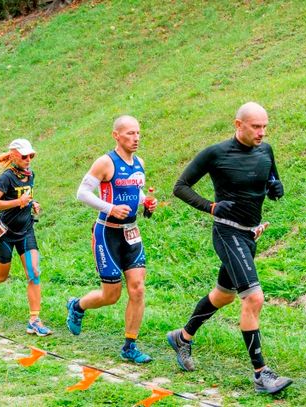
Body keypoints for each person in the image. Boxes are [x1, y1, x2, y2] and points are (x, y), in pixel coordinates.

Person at [167, 102, 292, 394]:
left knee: (223, 296)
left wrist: (276, 189)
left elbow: (271, 181)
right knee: (254, 298)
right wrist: (210, 207)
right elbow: (180, 186)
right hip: (227, 232)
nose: (262, 132)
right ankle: (261, 375)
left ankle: (182, 337)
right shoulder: (216, 153)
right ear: (238, 125)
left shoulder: (266, 150)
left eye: (265, 126)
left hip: (250, 235)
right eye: (256, 126)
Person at [66, 115, 157, 364]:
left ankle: (130, 346)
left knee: (138, 289)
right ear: (116, 135)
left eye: (138, 133)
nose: (136, 138)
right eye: (130, 133)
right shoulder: (105, 162)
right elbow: (82, 193)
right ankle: (77, 306)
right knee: (111, 295)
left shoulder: (139, 162)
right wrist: (110, 208)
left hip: (131, 233)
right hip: (107, 234)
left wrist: (145, 203)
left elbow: (134, 190)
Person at [0, 138, 51, 337]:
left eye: (31, 155)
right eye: (24, 156)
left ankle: (34, 320)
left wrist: (32, 203)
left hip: (25, 231)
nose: (28, 159)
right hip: (5, 234)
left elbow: (25, 196)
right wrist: (19, 202)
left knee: (34, 272)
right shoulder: (6, 178)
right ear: (14, 156)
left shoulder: (30, 174)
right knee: (1, 276)